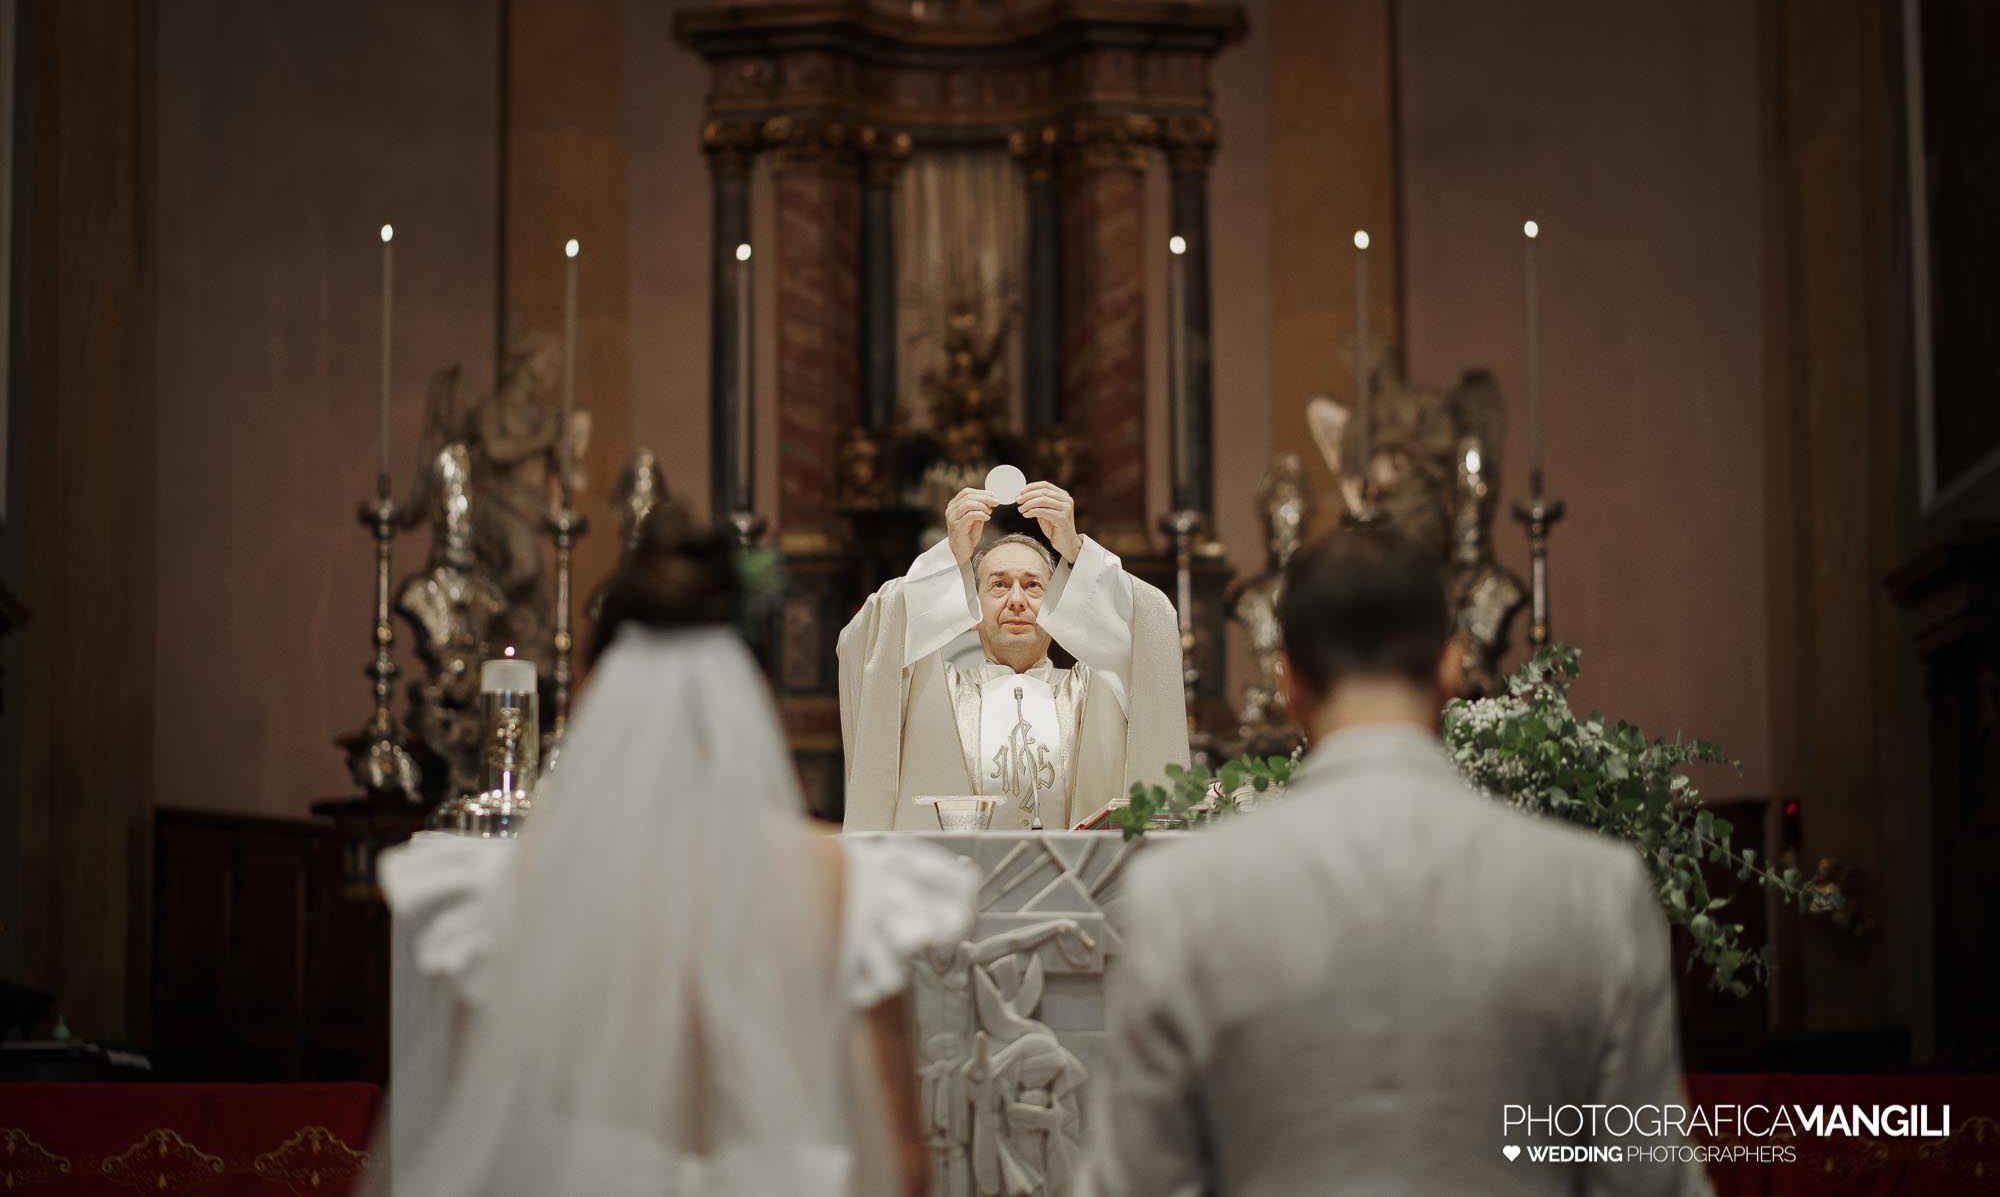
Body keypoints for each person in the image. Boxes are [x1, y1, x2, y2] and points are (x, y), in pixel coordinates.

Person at [1081, 527, 1709, 1197]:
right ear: (1452, 666)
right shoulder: (1595, 891)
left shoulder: (1181, 897)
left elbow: (1136, 1184)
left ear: (1287, 680)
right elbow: (1649, 1183)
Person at [378, 508, 973, 1197]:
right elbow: (903, 1165)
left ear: (594, 688)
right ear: (757, 693)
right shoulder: (845, 880)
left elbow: (477, 1137)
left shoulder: (520, 881)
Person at [839, 481, 1188, 831]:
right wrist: (950, 557)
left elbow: (1150, 624)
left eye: (1034, 585)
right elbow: (868, 640)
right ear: (972, 610)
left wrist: (1075, 548)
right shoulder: (931, 691)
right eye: (999, 585)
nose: (1017, 600)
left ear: (1060, 607)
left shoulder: (1095, 693)